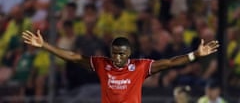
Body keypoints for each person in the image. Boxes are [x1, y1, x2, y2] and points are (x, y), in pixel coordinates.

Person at [21, 30, 219, 103]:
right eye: (114, 52)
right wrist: (44, 45)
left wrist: (196, 55)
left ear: (129, 53)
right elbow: (73, 57)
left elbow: (169, 63)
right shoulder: (102, 64)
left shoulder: (140, 67)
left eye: (121, 53)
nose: (117, 57)